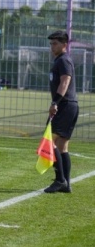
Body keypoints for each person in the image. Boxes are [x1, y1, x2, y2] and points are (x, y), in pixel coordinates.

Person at [44, 30, 78, 193]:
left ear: (64, 45)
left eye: (55, 43)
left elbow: (65, 82)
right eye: (51, 44)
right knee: (62, 146)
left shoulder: (64, 60)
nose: (52, 47)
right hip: (69, 106)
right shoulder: (60, 60)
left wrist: (55, 103)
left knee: (48, 141)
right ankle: (66, 184)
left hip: (64, 106)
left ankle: (60, 180)